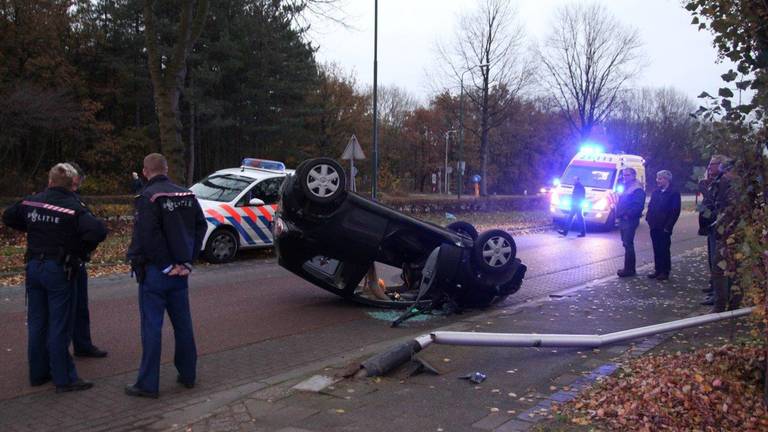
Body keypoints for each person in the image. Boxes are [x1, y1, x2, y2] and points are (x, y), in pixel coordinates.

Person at [2, 163, 107, 393]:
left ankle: (38, 373)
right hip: (59, 268)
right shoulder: (73, 207)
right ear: (72, 184)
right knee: (60, 323)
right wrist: (80, 248)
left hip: (34, 267)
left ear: (49, 181)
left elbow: (8, 216)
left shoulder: (31, 202)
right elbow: (98, 231)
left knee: (38, 322)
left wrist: (32, 226)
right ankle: (64, 378)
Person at [125, 153, 207, 398]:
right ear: (167, 169)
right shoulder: (187, 194)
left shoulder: (148, 197)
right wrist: (187, 262)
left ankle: (148, 384)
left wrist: (165, 265)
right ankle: (188, 375)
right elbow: (200, 226)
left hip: (156, 273)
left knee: (152, 327)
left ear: (145, 171)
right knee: (183, 325)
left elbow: (148, 235)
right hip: (181, 272)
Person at [66, 162, 108, 358]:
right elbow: (97, 229)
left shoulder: (74, 200)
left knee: (80, 306)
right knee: (62, 310)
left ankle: (82, 344)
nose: (78, 187)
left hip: (74, 260)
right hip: (64, 262)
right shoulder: (65, 201)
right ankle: (59, 358)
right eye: (76, 183)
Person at [708, 158, 738, 313]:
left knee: (724, 268)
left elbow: (725, 209)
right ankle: (729, 303)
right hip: (727, 231)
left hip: (730, 232)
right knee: (728, 267)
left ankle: (724, 305)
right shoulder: (725, 184)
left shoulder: (729, 185)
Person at [698, 155, 725, 305]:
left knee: (716, 260)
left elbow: (716, 207)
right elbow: (705, 206)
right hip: (709, 227)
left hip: (717, 226)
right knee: (711, 259)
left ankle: (718, 295)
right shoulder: (713, 182)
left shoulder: (722, 183)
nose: (709, 167)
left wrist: (705, 191)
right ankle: (713, 286)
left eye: (712, 164)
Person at [645, 170, 681, 281]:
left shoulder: (673, 193)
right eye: (657, 178)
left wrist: (668, 226)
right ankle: (658, 269)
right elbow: (651, 206)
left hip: (664, 226)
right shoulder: (656, 192)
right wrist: (649, 218)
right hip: (654, 225)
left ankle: (665, 271)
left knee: (664, 249)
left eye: (660, 178)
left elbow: (675, 211)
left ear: (667, 180)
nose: (658, 180)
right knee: (656, 248)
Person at [615, 167, 646, 277]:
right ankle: (628, 268)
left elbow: (638, 205)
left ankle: (629, 270)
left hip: (629, 219)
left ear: (633, 175)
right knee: (626, 243)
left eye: (627, 175)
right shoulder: (626, 186)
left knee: (628, 244)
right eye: (624, 175)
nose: (625, 177)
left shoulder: (637, 189)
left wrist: (627, 215)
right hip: (623, 218)